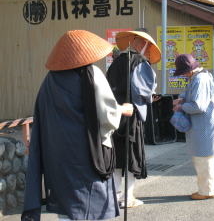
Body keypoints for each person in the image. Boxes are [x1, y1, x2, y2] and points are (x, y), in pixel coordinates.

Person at [22, 30, 134, 221]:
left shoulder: (49, 81)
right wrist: (124, 109)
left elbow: (41, 116)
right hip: (88, 155)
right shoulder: (91, 74)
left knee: (67, 206)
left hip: (58, 155)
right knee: (92, 203)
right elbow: (107, 116)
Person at [106, 31, 161, 208]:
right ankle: (128, 197)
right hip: (132, 116)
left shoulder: (115, 63)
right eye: (146, 46)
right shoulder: (140, 63)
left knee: (116, 157)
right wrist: (151, 97)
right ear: (141, 45)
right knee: (132, 158)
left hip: (114, 115)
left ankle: (113, 196)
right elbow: (144, 91)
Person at [172, 54, 214, 200]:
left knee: (203, 159)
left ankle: (206, 191)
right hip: (204, 124)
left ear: (189, 70)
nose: (183, 75)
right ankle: (206, 189)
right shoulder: (199, 76)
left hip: (204, 125)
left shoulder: (199, 79)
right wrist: (182, 99)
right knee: (203, 158)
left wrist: (181, 106)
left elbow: (198, 105)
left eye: (183, 72)